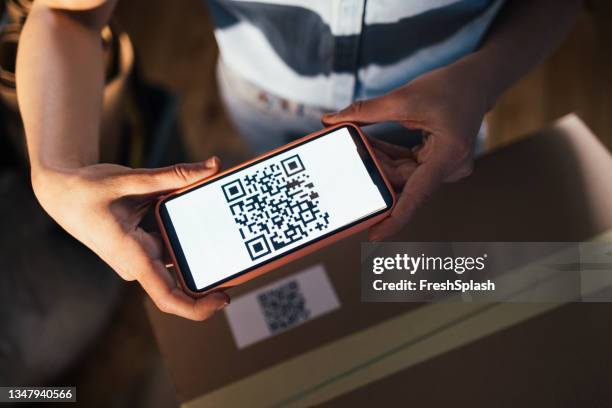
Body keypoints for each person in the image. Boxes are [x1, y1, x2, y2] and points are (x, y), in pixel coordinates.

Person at [16, 0, 582, 321]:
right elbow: (69, 12)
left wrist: (482, 79)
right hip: (259, 103)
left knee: (419, 260)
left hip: (444, 110)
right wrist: (54, 167)